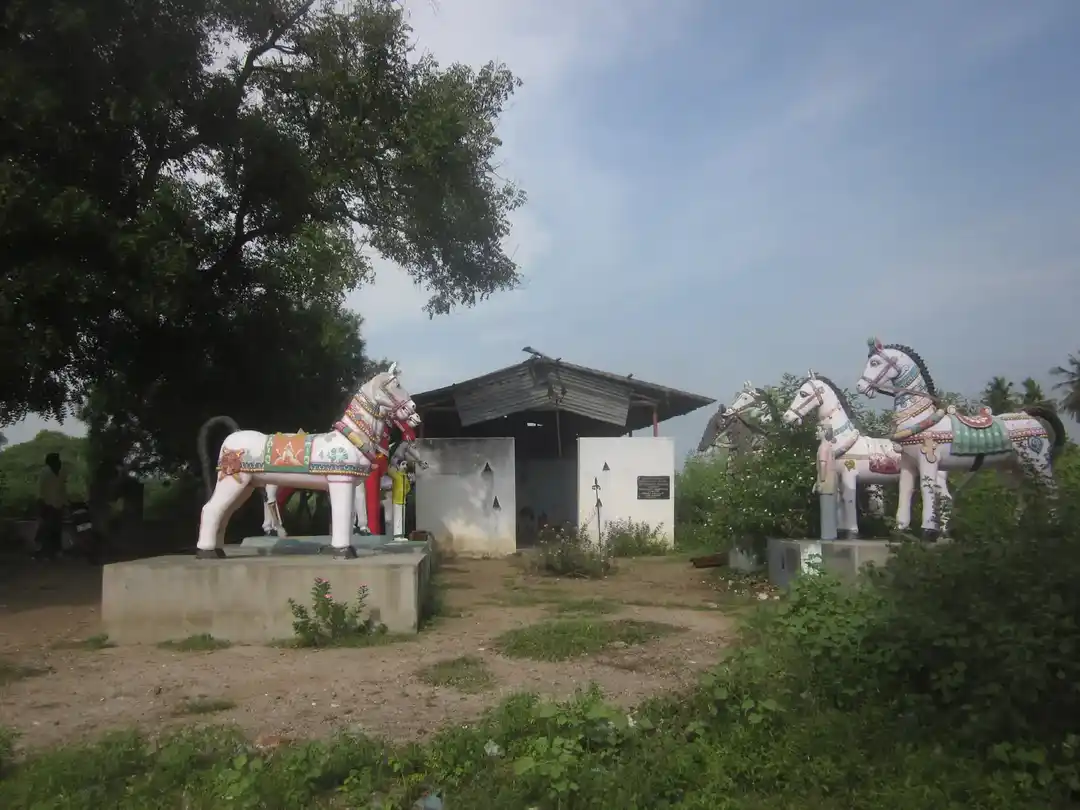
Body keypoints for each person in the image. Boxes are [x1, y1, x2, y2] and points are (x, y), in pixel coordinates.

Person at [34, 452, 68, 561]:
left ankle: (56, 551)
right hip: (47, 505)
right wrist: (41, 505)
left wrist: (66, 503)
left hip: (58, 505)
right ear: (50, 462)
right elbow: (40, 489)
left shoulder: (61, 472)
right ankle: (46, 553)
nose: (59, 462)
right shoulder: (45, 472)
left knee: (57, 529)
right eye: (56, 460)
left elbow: (63, 489)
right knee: (47, 530)